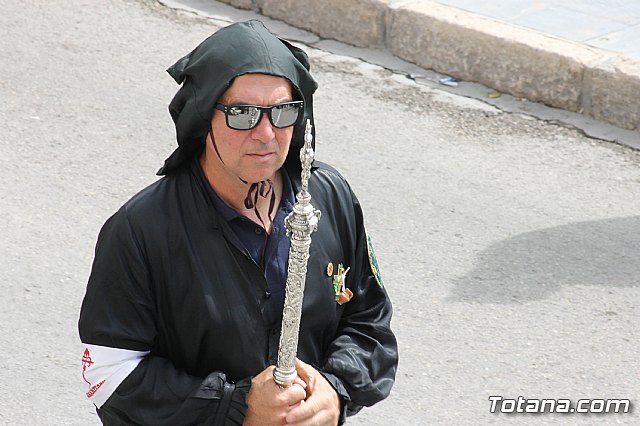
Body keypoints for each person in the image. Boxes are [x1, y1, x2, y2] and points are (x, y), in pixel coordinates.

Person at [78, 20, 398, 426]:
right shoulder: (140, 231)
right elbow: (110, 373)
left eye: (283, 112)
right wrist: (237, 406)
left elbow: (369, 320)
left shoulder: (330, 196)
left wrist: (335, 390)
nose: (266, 134)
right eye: (242, 113)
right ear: (203, 116)